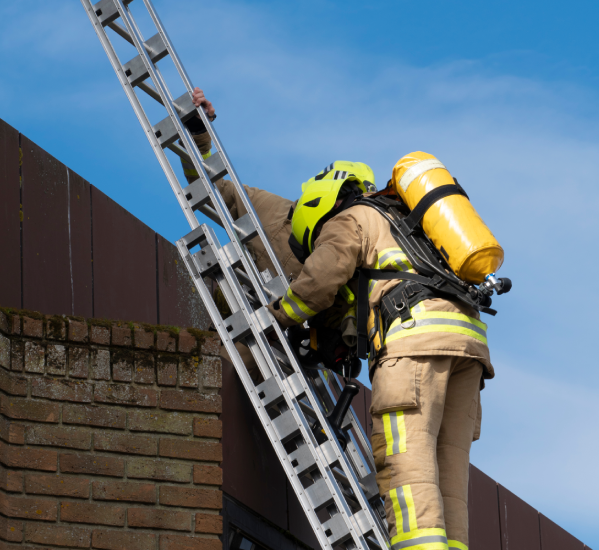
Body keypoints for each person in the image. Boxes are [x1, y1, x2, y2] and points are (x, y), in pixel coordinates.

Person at [267, 164, 493, 550]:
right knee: (448, 479)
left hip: (413, 342)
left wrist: (278, 315)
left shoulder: (351, 217)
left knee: (407, 464)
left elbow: (321, 280)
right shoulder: (410, 224)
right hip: (469, 349)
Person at [182, 89, 362, 380]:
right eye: (345, 205)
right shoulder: (270, 210)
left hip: (283, 367)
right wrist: (200, 132)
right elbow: (207, 188)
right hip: (226, 332)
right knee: (206, 378)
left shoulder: (347, 259)